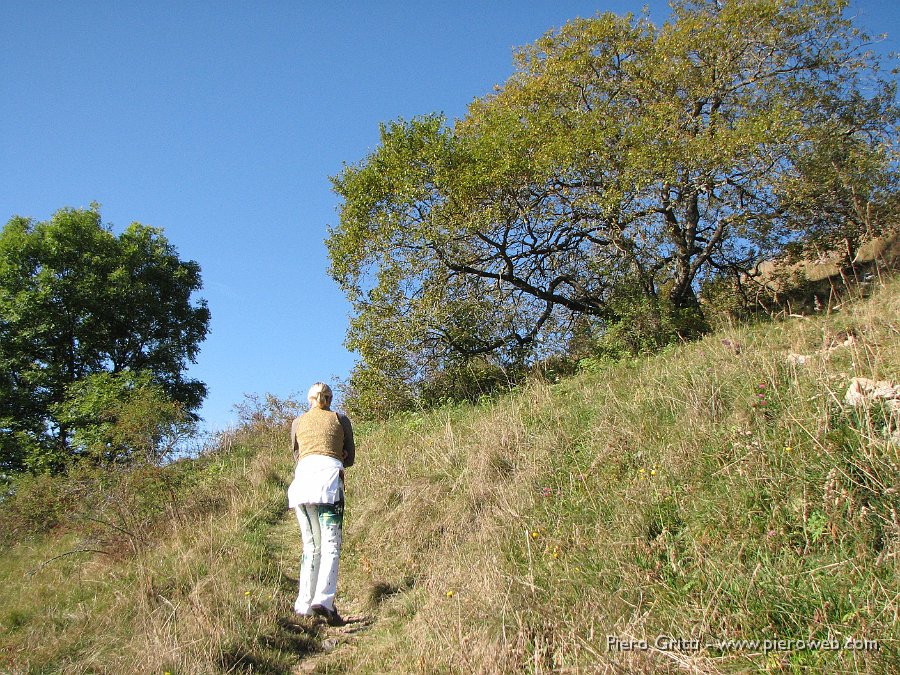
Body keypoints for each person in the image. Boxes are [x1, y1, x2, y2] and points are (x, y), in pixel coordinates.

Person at [287, 382, 355, 625]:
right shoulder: (340, 419)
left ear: (309, 399)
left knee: (310, 545)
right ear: (330, 399)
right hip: (329, 482)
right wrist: (339, 454)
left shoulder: (298, 422)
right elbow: (351, 457)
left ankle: (303, 604)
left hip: (302, 483)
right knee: (330, 543)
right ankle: (324, 600)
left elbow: (297, 455)